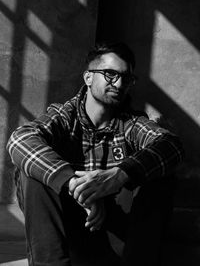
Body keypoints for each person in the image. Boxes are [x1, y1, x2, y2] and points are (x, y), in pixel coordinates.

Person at [7, 42, 184, 266]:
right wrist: (76, 187)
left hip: (114, 232)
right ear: (88, 77)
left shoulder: (132, 123)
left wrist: (118, 176)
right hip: (67, 229)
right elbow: (20, 139)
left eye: (126, 78)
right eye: (110, 74)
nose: (119, 84)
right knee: (29, 172)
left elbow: (171, 145)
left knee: (161, 177)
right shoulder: (63, 116)